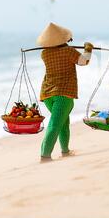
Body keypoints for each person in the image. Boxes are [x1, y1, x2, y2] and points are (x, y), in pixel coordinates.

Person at [36, 22, 93, 162]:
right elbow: (83, 61)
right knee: (55, 124)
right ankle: (45, 155)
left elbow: (58, 52)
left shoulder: (44, 53)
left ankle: (65, 151)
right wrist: (88, 49)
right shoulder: (68, 51)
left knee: (63, 122)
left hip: (48, 94)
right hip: (63, 94)